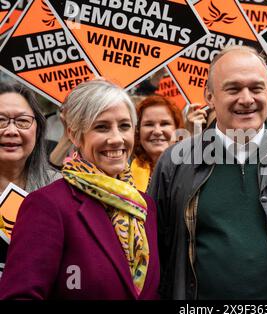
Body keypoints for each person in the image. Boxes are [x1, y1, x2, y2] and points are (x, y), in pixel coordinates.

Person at [150, 45, 267, 300]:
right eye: (233, 89)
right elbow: (156, 254)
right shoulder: (174, 162)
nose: (246, 99)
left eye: (256, 88)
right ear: (210, 96)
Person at [0, 79, 160, 299]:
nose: (116, 139)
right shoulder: (47, 205)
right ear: (75, 135)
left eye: (124, 126)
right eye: (101, 127)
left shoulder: (145, 205)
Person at [0, 81, 60, 195]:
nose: (12, 131)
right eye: (0, 120)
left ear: (38, 130)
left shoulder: (58, 187)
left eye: (22, 121)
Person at [131, 94, 183, 193]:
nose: (157, 131)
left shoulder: (192, 170)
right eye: (149, 124)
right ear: (138, 131)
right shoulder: (121, 172)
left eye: (164, 124)